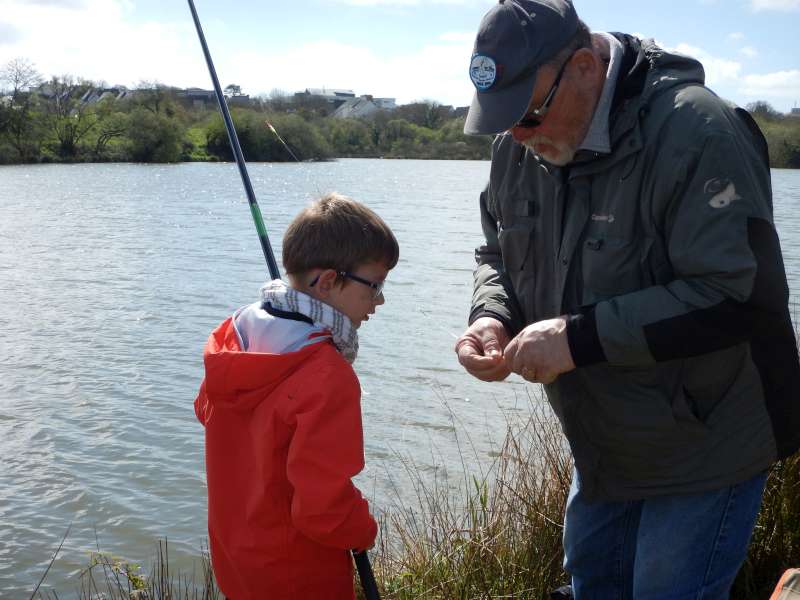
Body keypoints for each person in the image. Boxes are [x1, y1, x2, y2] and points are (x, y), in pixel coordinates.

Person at [456, 0, 800, 598]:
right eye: (501, 117)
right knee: (593, 586)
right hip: (604, 446)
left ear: (585, 67)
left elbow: (741, 294)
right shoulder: (517, 145)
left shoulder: (700, 131)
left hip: (704, 445)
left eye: (529, 113)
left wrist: (576, 337)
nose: (516, 134)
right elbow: (496, 254)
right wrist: (493, 315)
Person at [195, 192, 399, 600]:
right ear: (327, 281)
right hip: (298, 574)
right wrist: (362, 527)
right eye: (374, 286)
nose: (379, 301)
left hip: (236, 557)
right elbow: (321, 509)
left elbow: (206, 410)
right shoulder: (328, 377)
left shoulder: (231, 338)